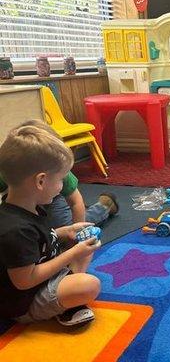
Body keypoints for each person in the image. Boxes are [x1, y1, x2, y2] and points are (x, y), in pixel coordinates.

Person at [0, 125, 101, 326]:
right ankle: (63, 305)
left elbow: (37, 240)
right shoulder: (14, 229)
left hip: (44, 276)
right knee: (90, 285)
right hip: (25, 301)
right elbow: (25, 281)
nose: (62, 186)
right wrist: (71, 254)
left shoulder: (29, 208)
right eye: (61, 180)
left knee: (85, 243)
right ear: (41, 181)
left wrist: (64, 232)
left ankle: (65, 296)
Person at [0, 120, 119, 228]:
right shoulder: (9, 166)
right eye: (61, 179)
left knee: (65, 226)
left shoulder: (58, 171)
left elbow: (76, 202)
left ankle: (104, 206)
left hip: (53, 196)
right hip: (25, 198)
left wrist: (77, 236)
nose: (62, 180)